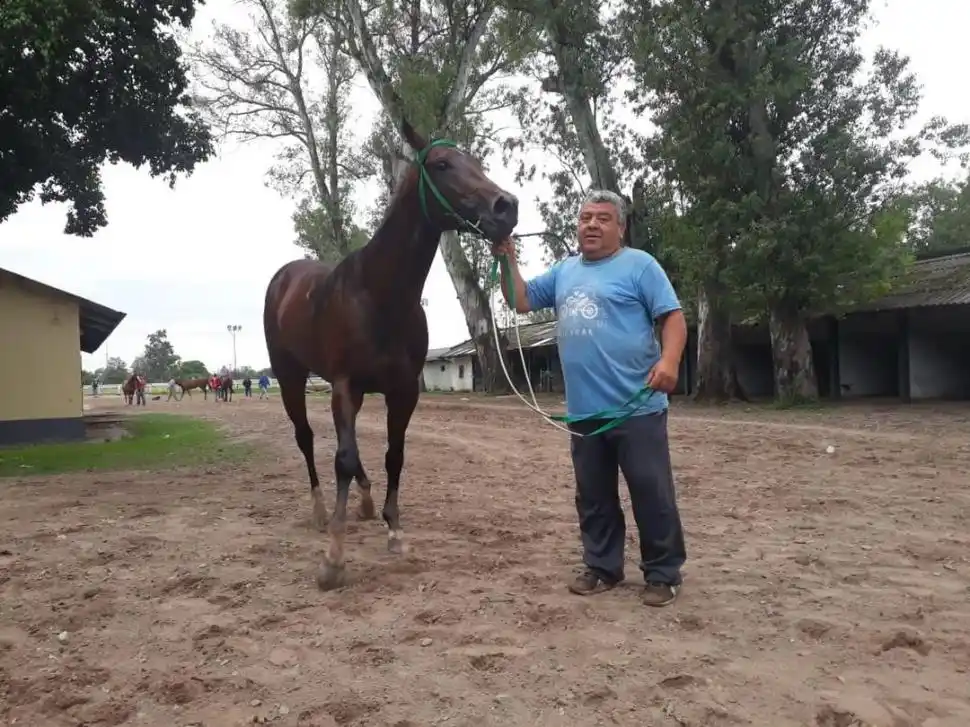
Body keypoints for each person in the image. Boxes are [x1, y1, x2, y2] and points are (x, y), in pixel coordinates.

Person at [493, 189, 689, 608]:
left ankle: (662, 573)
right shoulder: (564, 271)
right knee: (593, 495)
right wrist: (507, 258)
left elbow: (672, 316)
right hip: (585, 412)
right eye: (585, 218)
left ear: (620, 227)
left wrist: (670, 361)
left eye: (602, 218)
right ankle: (603, 568)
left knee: (651, 492)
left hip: (637, 405)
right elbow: (521, 300)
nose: (592, 225)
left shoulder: (641, 266)